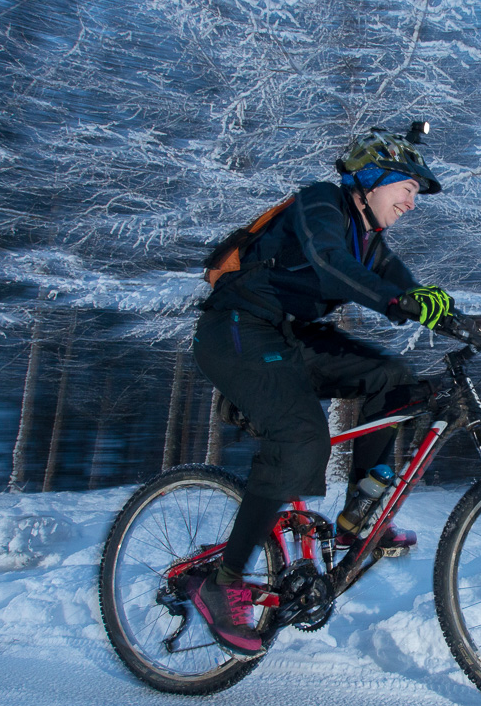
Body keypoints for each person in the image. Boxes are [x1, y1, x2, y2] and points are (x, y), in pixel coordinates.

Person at [187, 127, 455, 657]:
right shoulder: (321, 204)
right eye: (406, 187)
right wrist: (398, 303)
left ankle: (361, 514)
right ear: (370, 180)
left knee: (395, 379)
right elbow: (333, 264)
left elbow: (409, 290)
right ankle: (221, 580)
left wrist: (469, 324)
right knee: (300, 433)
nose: (411, 202)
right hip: (237, 325)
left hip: (287, 335)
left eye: (416, 194)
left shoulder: (371, 241)